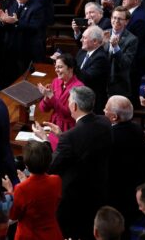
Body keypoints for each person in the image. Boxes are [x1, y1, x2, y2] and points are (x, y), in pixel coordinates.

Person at [33, 86, 112, 240]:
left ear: (74, 106)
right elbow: (84, 145)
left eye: (69, 101)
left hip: (74, 200)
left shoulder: (70, 137)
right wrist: (61, 135)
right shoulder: (105, 122)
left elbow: (51, 166)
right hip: (99, 190)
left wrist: (45, 140)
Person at [104, 95, 145, 238]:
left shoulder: (110, 136)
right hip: (133, 188)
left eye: (106, 109)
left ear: (114, 117)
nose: (103, 111)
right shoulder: (137, 129)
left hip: (114, 193)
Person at [3, 141, 63, 240]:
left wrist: (10, 191)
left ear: (26, 165)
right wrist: (25, 183)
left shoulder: (21, 188)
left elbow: (13, 215)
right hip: (52, 234)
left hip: (29, 235)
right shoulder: (56, 180)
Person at [0, 0, 45, 88]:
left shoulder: (37, 6)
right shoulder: (11, 2)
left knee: (25, 84)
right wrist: (3, 21)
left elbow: (34, 27)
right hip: (10, 50)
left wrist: (16, 22)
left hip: (28, 52)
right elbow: (3, 23)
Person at [37, 53, 84, 150]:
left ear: (70, 68)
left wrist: (51, 96)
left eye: (60, 67)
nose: (56, 70)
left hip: (68, 129)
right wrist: (46, 97)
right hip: (54, 126)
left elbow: (68, 112)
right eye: (55, 67)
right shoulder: (56, 81)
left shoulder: (78, 87)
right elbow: (42, 109)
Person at [122, 0, 145, 107]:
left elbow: (135, 44)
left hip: (135, 62)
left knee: (132, 95)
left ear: (136, 1)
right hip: (129, 60)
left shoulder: (139, 18)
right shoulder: (129, 14)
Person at [104, 6, 138, 98]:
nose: (116, 21)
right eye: (114, 18)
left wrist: (116, 47)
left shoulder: (132, 39)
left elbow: (125, 63)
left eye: (120, 19)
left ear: (126, 22)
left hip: (118, 85)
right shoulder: (103, 33)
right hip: (102, 83)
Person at [76, 25, 110, 114]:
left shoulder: (101, 58)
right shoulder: (82, 52)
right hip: (79, 95)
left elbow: (87, 78)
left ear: (95, 41)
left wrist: (70, 65)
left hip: (92, 102)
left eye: (84, 38)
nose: (81, 40)